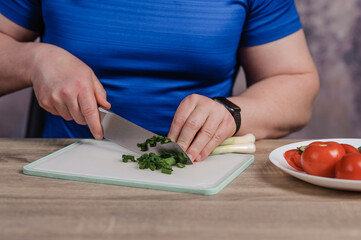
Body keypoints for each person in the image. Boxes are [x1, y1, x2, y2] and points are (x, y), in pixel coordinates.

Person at [0, 0, 319, 162]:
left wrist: (231, 111)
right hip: (65, 168)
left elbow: (295, 84)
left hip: (197, 168)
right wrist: (35, 59)